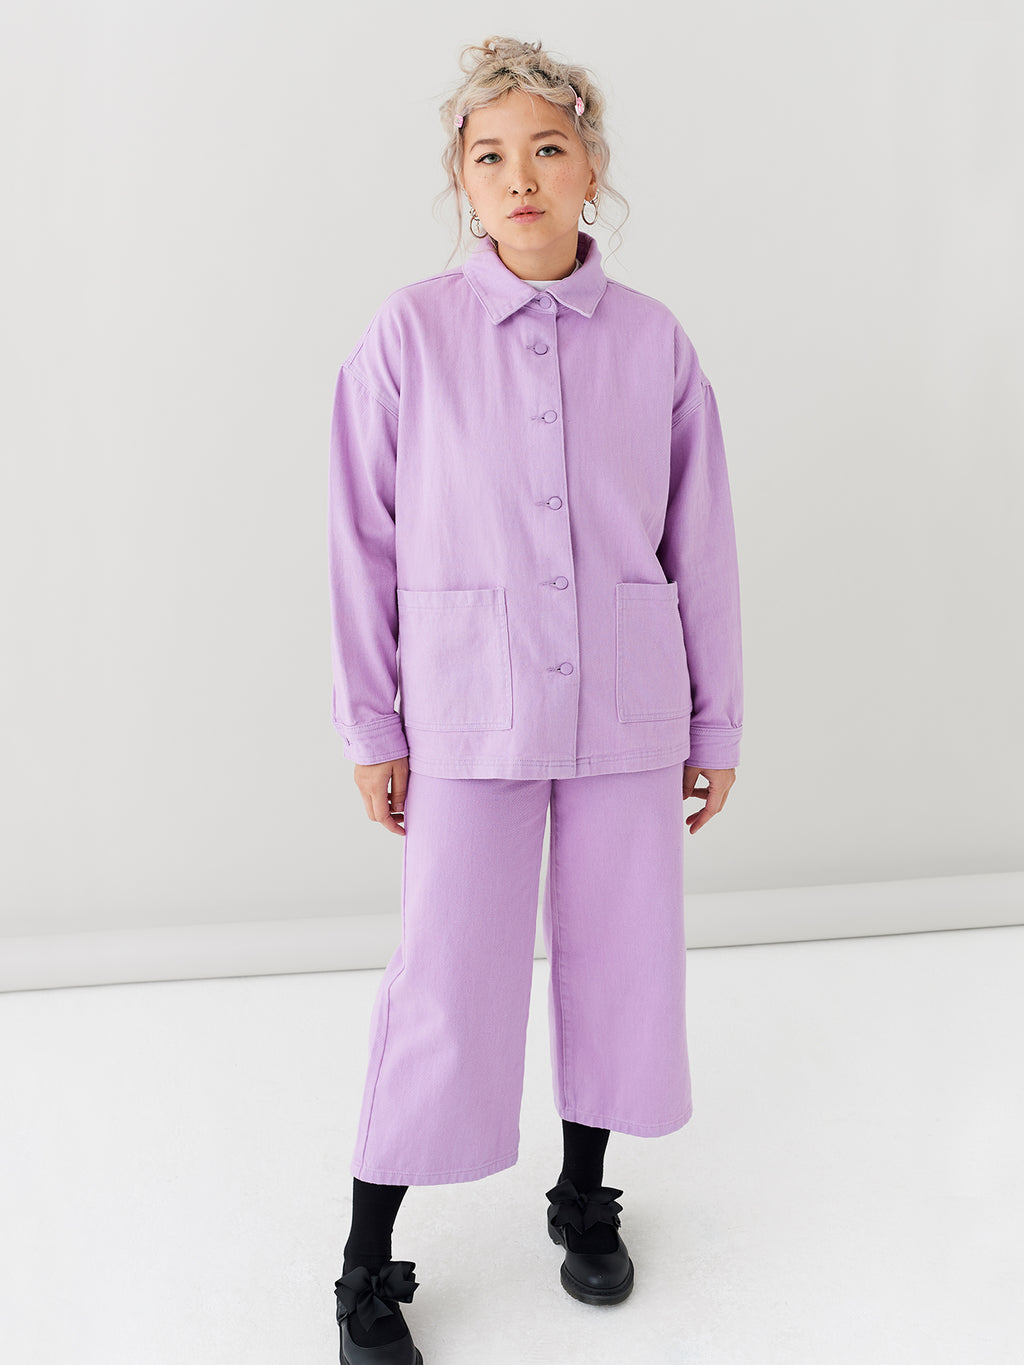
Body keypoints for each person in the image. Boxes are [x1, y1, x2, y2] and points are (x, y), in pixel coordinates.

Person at [326, 35, 743, 1365]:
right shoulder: (409, 334)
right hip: (465, 708)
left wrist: (716, 721)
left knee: (620, 961)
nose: (520, 178)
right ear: (461, 180)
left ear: (591, 167)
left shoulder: (655, 342)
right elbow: (360, 540)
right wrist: (372, 722)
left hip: (628, 705)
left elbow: (701, 542)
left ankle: (583, 1195)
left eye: (547, 150)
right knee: (446, 978)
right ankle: (366, 1260)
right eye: (490, 156)